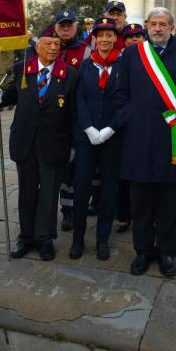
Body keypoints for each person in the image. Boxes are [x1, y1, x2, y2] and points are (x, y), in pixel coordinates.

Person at [117, 6, 176, 277]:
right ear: (146, 25)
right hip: (138, 140)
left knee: (167, 201)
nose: (158, 28)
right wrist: (133, 119)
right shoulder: (131, 54)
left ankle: (166, 252)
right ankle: (142, 251)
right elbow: (121, 93)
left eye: (164, 24)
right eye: (154, 23)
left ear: (172, 28)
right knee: (140, 201)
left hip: (172, 140)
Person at [0, 31, 77, 261]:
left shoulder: (69, 74)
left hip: (54, 143)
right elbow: (13, 94)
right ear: (37, 46)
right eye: (47, 43)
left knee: (49, 194)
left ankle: (44, 239)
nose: (52, 48)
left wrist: (73, 144)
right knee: (26, 192)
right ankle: (26, 237)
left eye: (57, 44)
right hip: (25, 142)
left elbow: (73, 112)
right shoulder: (22, 68)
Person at [70, 17, 124, 261]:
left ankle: (103, 239)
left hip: (113, 138)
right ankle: (78, 239)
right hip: (86, 138)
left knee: (109, 190)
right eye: (99, 35)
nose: (104, 39)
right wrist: (89, 128)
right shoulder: (86, 65)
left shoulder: (123, 66)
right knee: (82, 187)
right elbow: (79, 98)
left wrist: (111, 128)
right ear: (94, 38)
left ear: (115, 38)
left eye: (108, 35)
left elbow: (127, 100)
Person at [54, 9, 92, 232]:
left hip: (76, 117)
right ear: (56, 28)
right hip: (53, 119)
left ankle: (72, 211)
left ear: (76, 27)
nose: (66, 29)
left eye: (69, 25)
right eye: (62, 25)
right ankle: (61, 209)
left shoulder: (86, 51)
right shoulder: (50, 47)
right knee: (59, 168)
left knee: (75, 167)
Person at [116, 22, 146, 233]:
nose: (134, 39)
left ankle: (143, 215)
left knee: (142, 174)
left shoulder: (151, 61)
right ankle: (124, 215)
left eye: (138, 36)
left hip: (142, 126)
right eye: (129, 37)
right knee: (123, 176)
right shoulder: (120, 60)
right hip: (121, 125)